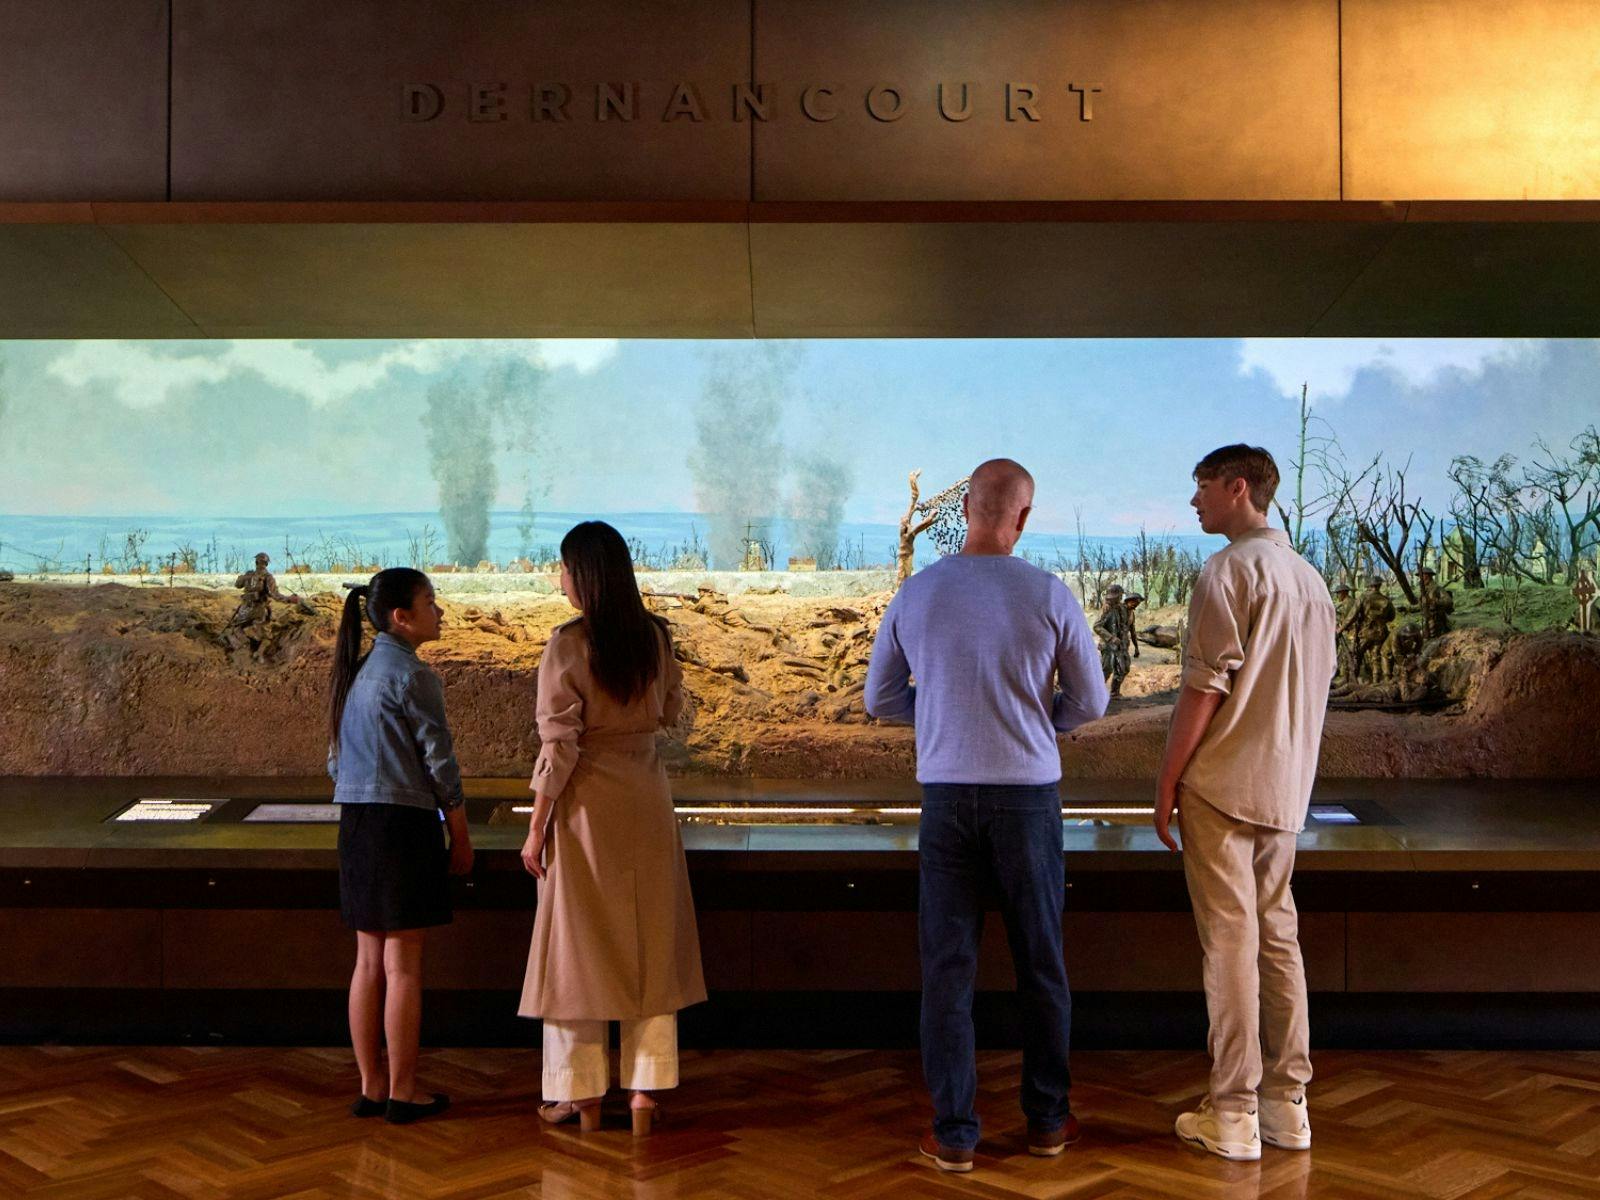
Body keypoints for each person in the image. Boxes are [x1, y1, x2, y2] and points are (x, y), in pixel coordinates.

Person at [865, 458, 1108, 1173]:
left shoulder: (918, 592)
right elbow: (1091, 704)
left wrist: (939, 712)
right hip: (1028, 799)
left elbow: (879, 700)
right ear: (1023, 518)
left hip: (946, 800)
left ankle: (955, 1133)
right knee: (1041, 964)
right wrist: (1040, 721)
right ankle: (1047, 1124)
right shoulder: (1049, 595)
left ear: (964, 509)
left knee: (948, 971)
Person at [1153, 445, 1336, 1161]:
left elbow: (1205, 688)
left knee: (1229, 945)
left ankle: (1230, 1111)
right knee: (1279, 939)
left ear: (1238, 488)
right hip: (1285, 791)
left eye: (1201, 487)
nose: (1194, 501)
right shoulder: (1311, 582)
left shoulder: (1228, 571)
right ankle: (1287, 1105)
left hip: (1223, 786)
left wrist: (1167, 782)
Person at [519, 521, 705, 1138]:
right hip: (648, 802)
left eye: (565, 569)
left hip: (585, 811)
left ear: (584, 576)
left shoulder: (568, 645)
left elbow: (559, 745)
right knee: (649, 942)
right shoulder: (654, 637)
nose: (560, 579)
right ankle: (647, 1090)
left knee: (577, 950)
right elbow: (672, 711)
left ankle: (581, 1095)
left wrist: (536, 826)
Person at [327, 567, 474, 1125]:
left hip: (357, 825)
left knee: (368, 963)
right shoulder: (413, 677)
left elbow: (335, 762)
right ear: (401, 616)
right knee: (405, 967)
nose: (440, 611)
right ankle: (404, 1091)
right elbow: (440, 765)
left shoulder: (357, 673)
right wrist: (458, 832)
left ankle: (372, 1085)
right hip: (402, 827)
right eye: (431, 602)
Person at [1093, 583, 1133, 697]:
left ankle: (1115, 693)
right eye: (1119, 595)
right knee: (1107, 669)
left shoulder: (1120, 608)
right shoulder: (1106, 609)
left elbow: (1125, 623)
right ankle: (1095, 694)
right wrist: (1111, 638)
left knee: (1123, 668)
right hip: (1108, 646)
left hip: (1120, 646)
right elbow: (1097, 626)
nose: (1121, 597)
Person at [1417, 566, 1454, 640]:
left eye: (1422, 576)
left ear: (1427, 576)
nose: (1420, 578)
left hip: (1438, 623)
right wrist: (1407, 608)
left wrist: (1435, 602)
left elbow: (1449, 601)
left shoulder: (1437, 589)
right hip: (1427, 622)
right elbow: (1422, 605)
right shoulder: (1424, 590)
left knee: (1438, 642)